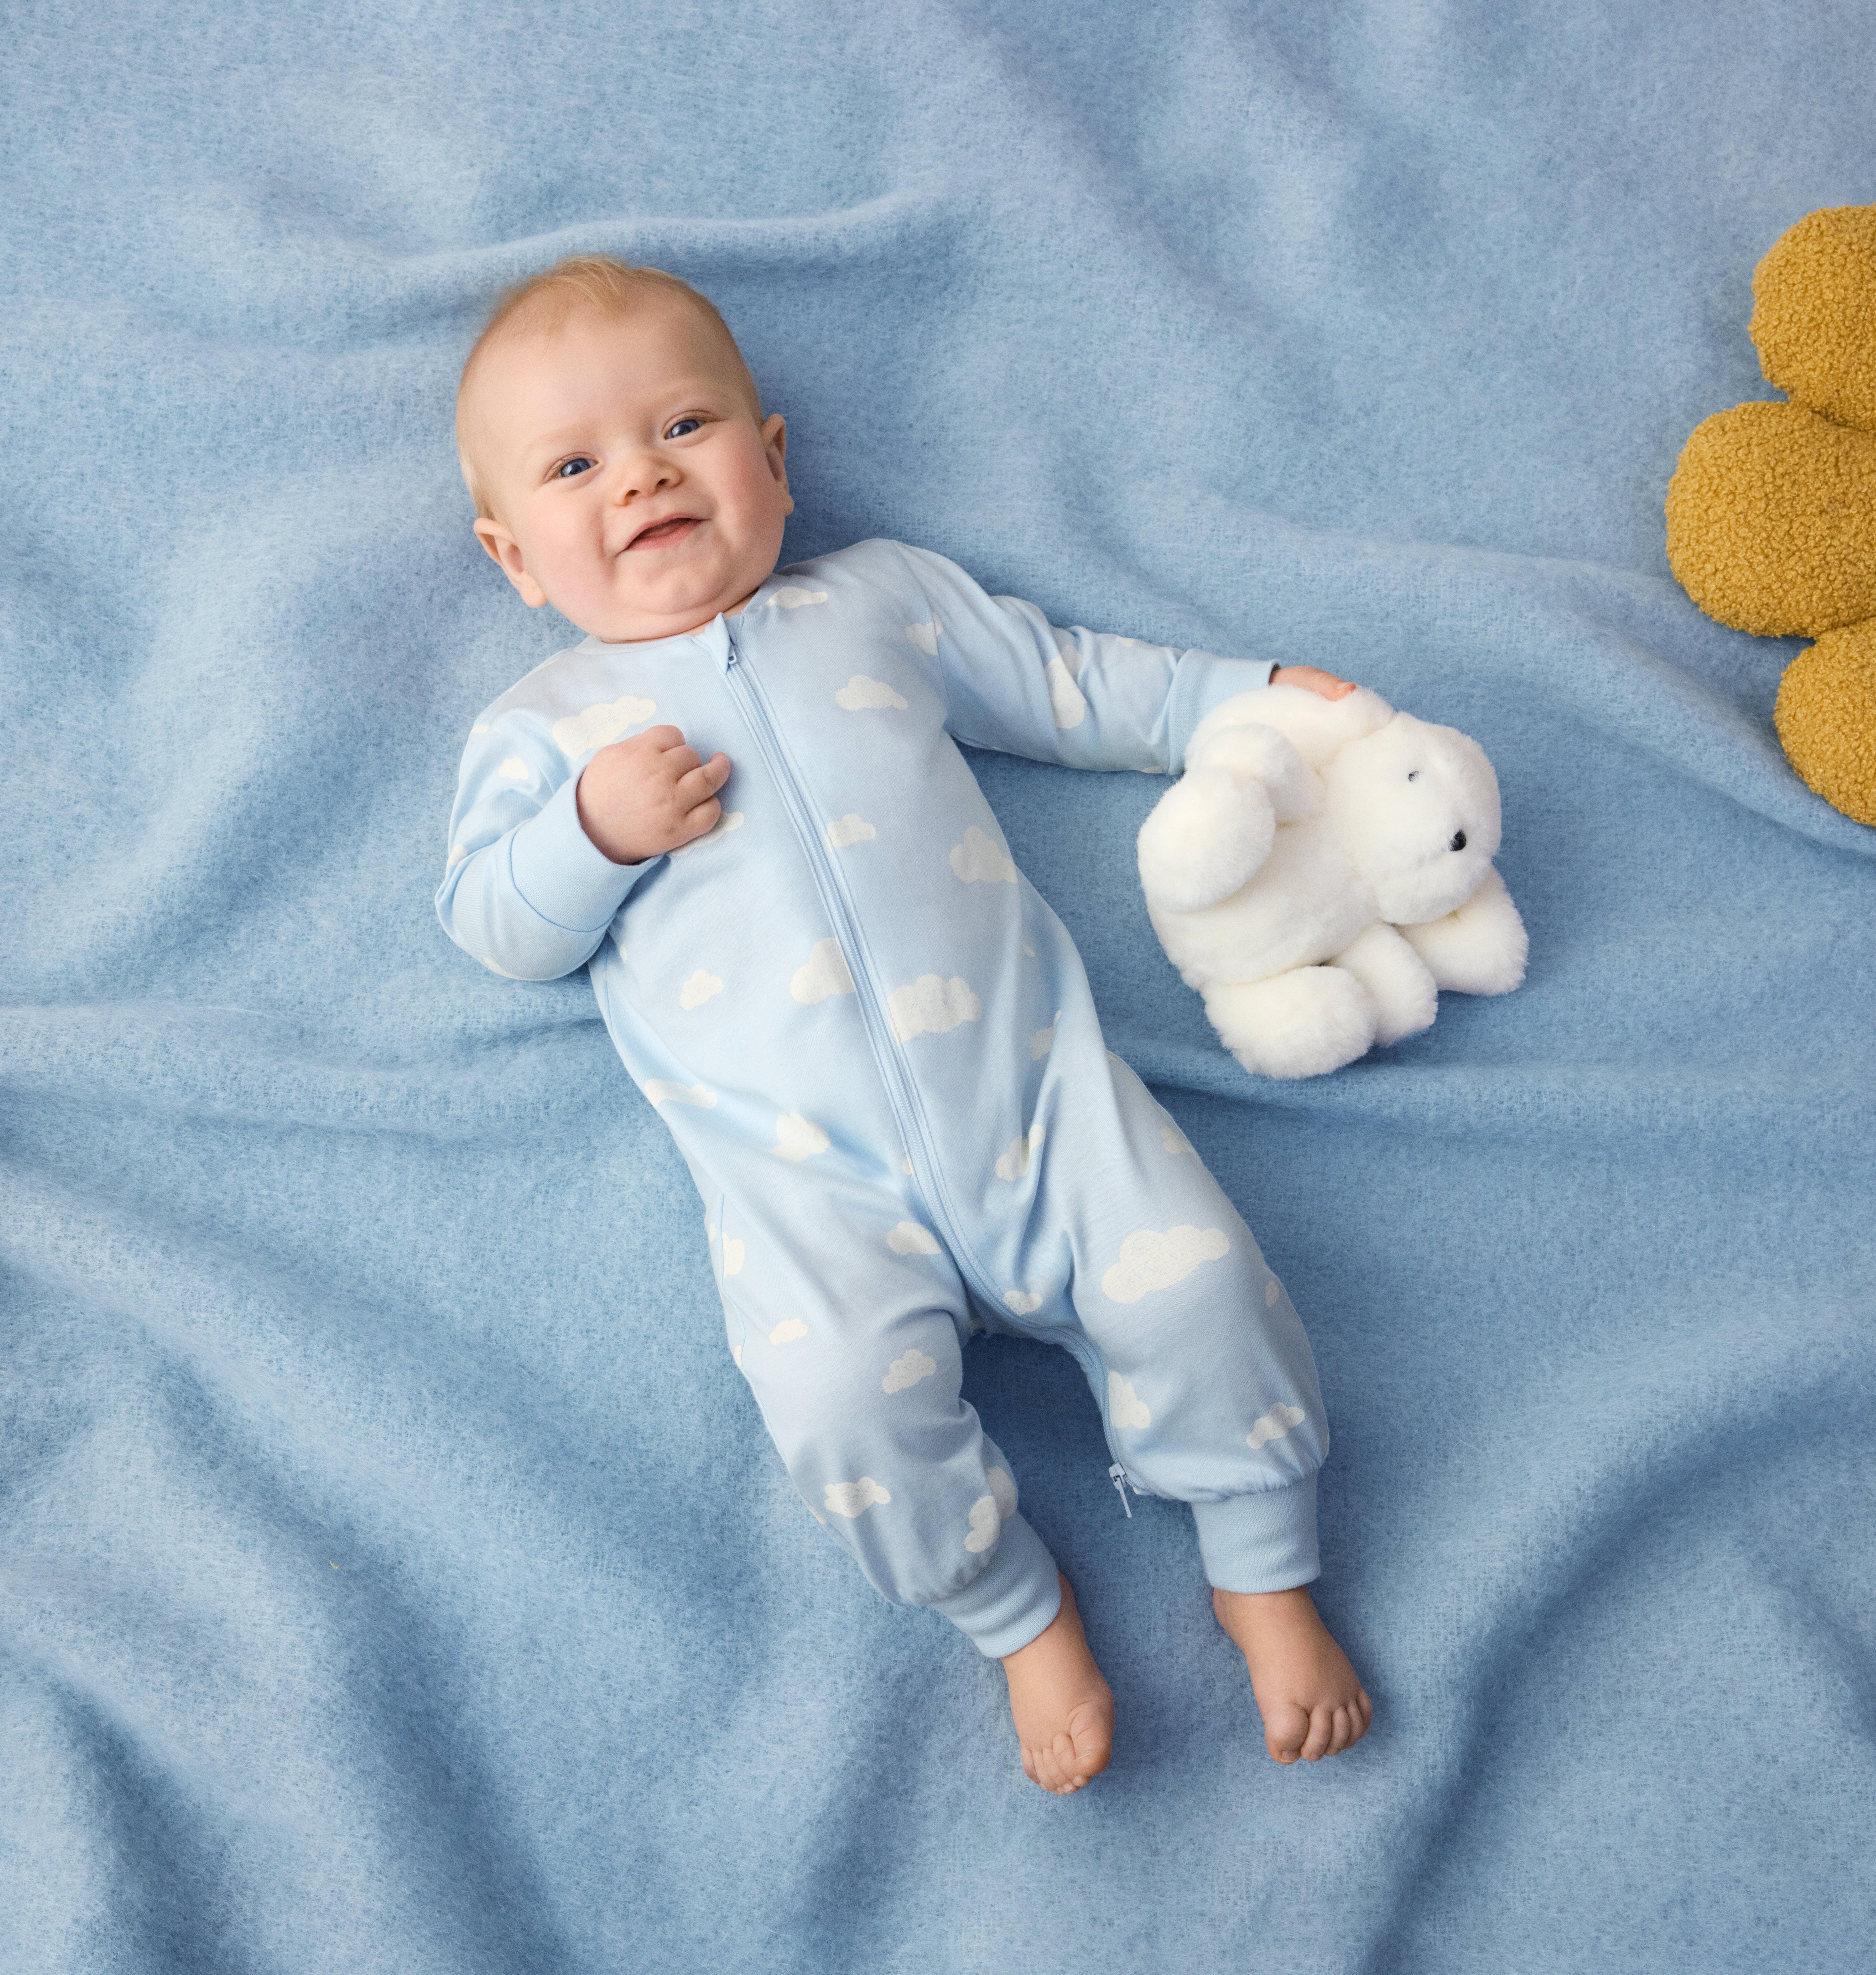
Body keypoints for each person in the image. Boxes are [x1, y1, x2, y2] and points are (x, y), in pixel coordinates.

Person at [437, 255, 1370, 1793]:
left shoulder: (876, 603)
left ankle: (1262, 1572)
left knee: (1201, 1289)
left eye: (684, 424)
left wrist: (1246, 700)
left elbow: (1075, 688)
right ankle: (1014, 1612)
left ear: (775, 459)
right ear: (514, 555)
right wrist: (589, 836)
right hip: (809, 1191)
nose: (643, 478)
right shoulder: (544, 732)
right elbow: (495, 929)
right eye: (573, 465)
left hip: (1035, 1103)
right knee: (835, 1413)